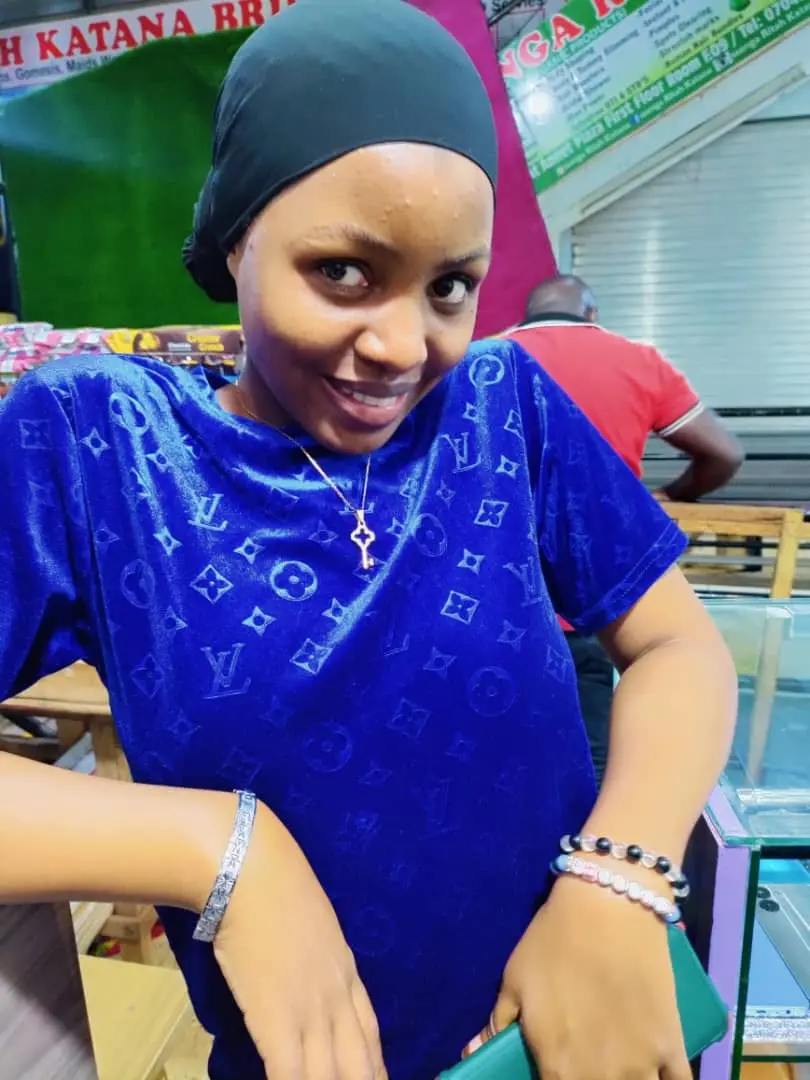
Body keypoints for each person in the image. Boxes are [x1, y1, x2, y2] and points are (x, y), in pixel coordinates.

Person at [0, 6, 737, 1080]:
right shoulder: (100, 444)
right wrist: (221, 852)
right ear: (237, 235)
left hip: (563, 1050)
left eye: (449, 287)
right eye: (344, 271)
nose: (400, 346)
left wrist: (617, 876)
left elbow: (678, 644)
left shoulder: (504, 408)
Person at [504, 275, 744, 782]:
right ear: (592, 315)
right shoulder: (639, 362)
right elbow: (724, 454)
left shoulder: (484, 362)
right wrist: (668, 497)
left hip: (498, 595)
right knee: (591, 751)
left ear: (526, 314)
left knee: (491, 750)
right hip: (598, 596)